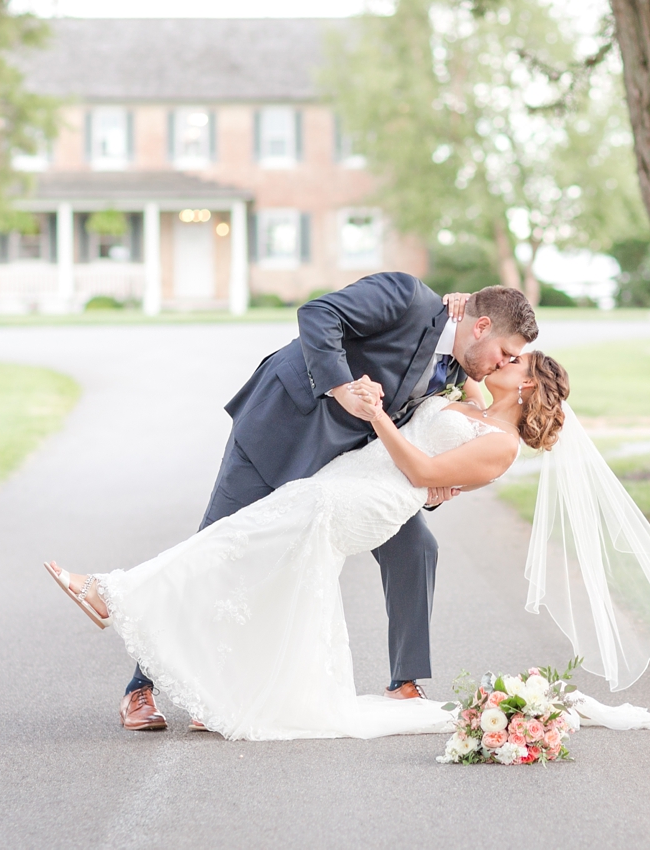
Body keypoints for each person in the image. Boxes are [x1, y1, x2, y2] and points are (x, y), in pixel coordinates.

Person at [48, 350, 577, 739]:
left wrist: (378, 417)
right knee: (252, 561)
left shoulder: (503, 446)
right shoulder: (477, 400)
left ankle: (109, 593)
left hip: (362, 502)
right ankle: (212, 680)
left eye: (518, 361)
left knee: (234, 541)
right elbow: (460, 370)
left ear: (528, 387)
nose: (506, 360)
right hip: (344, 477)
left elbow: (420, 469)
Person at [110, 276, 538, 730]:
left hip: (348, 471)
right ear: (481, 327)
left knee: (416, 547)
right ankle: (141, 687)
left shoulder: (458, 368)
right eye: (505, 353)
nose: (504, 364)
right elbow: (318, 314)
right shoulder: (407, 297)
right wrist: (341, 388)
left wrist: (435, 486)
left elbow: (430, 433)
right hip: (282, 427)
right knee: (218, 549)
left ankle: (405, 681)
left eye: (513, 360)